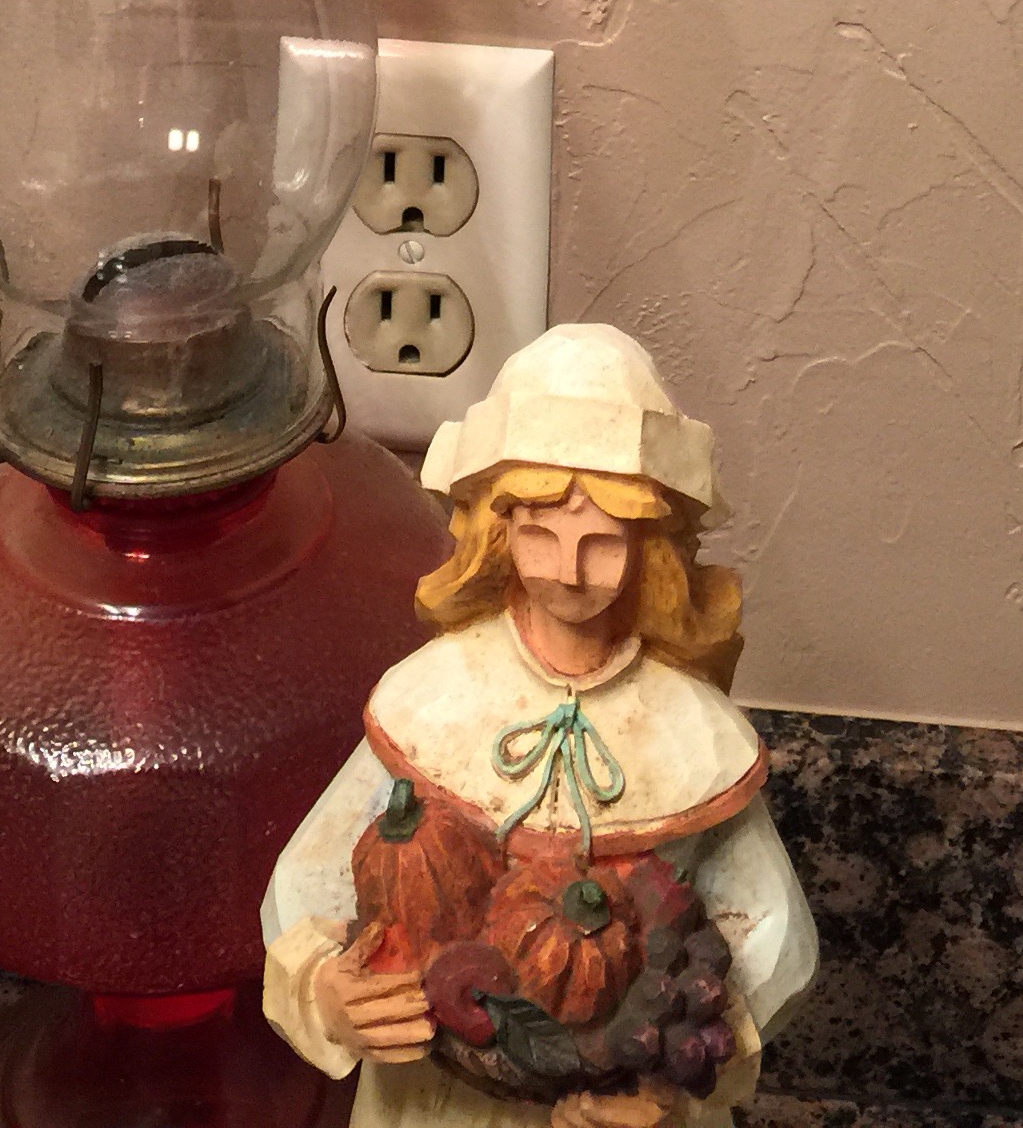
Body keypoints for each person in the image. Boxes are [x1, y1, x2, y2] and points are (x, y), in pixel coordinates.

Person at [262, 326, 816, 1128]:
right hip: (433, 1101)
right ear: (497, 534)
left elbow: (772, 937)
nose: (568, 570)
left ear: (652, 548)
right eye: (539, 536)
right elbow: (309, 878)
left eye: (603, 543)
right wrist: (324, 989)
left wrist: (671, 1082)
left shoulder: (693, 732)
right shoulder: (435, 695)